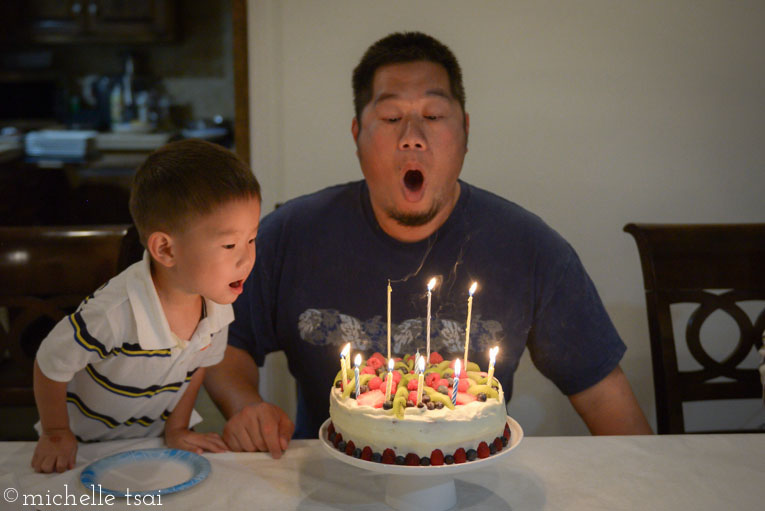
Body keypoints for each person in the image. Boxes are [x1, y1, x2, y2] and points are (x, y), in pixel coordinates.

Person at [204, 31, 652, 458]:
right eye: (392, 118)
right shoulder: (289, 235)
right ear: (357, 133)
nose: (412, 136)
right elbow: (227, 342)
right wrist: (245, 405)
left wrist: (652, 479)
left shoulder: (530, 247)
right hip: (325, 477)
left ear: (466, 132)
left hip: (474, 481)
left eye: (434, 117)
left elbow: (604, 397)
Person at [31, 139, 262, 473]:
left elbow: (196, 367)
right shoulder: (113, 313)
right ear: (166, 250)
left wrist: (177, 428)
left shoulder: (216, 310)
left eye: (251, 239)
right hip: (81, 449)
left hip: (148, 447)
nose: (247, 258)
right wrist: (55, 433)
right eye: (229, 244)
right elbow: (50, 362)